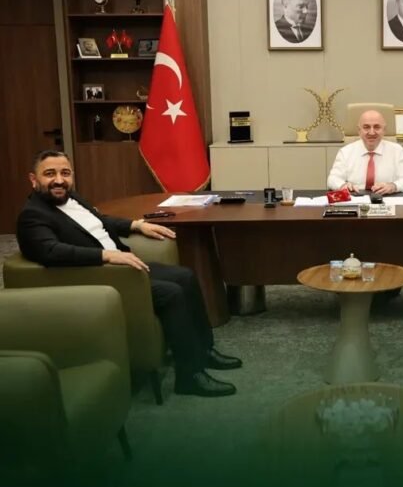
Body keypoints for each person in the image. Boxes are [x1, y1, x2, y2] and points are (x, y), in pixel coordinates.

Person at [16, 150, 242, 398]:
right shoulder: (32, 215)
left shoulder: (72, 198)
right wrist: (106, 255)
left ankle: (203, 351)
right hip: (99, 278)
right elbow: (50, 251)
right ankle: (189, 376)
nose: (59, 180)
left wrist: (136, 225)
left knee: (185, 276)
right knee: (171, 293)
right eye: (50, 174)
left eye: (65, 173)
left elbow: (100, 221)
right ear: (34, 179)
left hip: (121, 268)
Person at [327, 109, 403, 195]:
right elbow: (332, 179)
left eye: (377, 127)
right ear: (359, 130)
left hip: (387, 199)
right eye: (366, 127)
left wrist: (393, 186)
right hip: (356, 198)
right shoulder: (345, 152)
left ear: (384, 130)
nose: (372, 132)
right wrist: (343, 185)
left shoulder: (397, 150)